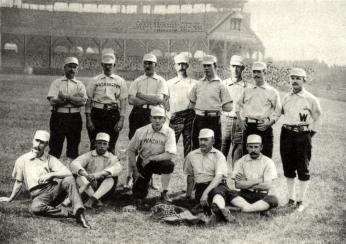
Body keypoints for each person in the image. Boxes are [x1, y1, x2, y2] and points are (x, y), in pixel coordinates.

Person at [0, 130, 90, 228]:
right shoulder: (22, 160)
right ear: (32, 140)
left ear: (47, 144)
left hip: (54, 189)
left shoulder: (49, 158)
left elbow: (68, 172)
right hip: (39, 195)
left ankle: (80, 212)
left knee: (69, 178)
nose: (38, 145)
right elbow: (18, 182)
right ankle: (71, 215)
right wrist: (10, 198)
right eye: (36, 140)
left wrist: (51, 174)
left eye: (42, 142)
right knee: (36, 208)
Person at [280, 68, 322, 212]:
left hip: (302, 135)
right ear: (289, 80)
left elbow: (317, 118)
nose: (295, 81)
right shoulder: (285, 98)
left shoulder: (310, 99)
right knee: (288, 167)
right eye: (292, 78)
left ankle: (300, 201)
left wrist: (309, 135)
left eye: (298, 78)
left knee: (302, 168)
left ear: (304, 80)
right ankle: (291, 199)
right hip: (286, 134)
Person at [127, 53, 169, 189]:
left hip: (154, 113)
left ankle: (151, 179)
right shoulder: (137, 80)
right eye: (146, 63)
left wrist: (141, 96)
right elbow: (131, 100)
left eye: (150, 63)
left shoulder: (161, 81)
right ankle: (131, 175)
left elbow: (159, 99)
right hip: (138, 113)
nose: (148, 66)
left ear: (156, 65)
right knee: (134, 145)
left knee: (152, 146)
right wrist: (148, 99)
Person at [184, 129, 235, 223]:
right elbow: (190, 177)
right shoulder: (191, 155)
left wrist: (205, 193)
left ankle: (221, 210)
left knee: (217, 193)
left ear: (213, 141)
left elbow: (218, 177)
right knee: (202, 203)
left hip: (218, 185)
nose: (202, 142)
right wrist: (188, 195)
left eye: (206, 140)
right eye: (201, 140)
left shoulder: (219, 156)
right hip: (201, 187)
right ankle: (218, 211)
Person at [128, 106, 176, 203]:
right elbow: (131, 150)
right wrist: (135, 169)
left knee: (169, 165)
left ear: (164, 119)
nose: (157, 121)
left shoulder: (169, 132)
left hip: (159, 161)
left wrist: (151, 158)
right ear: (150, 118)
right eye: (154, 118)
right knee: (138, 196)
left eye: (160, 118)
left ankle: (164, 192)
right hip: (143, 162)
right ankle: (143, 184)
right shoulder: (141, 131)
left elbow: (170, 154)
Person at [236, 61, 281, 158]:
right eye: (254, 72)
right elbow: (237, 105)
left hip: (263, 127)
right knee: (247, 157)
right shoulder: (247, 90)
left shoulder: (272, 91)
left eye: (259, 72)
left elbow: (278, 110)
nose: (256, 74)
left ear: (265, 73)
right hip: (248, 127)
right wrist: (240, 120)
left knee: (265, 157)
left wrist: (270, 123)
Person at [223, 134, 279, 214]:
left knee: (273, 199)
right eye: (251, 147)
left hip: (261, 195)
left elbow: (267, 185)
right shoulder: (241, 161)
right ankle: (258, 209)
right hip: (244, 195)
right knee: (228, 193)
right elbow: (238, 185)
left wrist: (246, 181)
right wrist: (260, 180)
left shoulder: (268, 162)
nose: (253, 150)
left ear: (261, 147)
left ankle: (243, 209)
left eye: (256, 147)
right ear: (247, 147)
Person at [85, 53, 128, 154]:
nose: (108, 67)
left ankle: (109, 168)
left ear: (114, 65)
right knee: (94, 143)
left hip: (112, 113)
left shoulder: (120, 81)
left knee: (111, 144)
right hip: (97, 112)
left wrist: (121, 120)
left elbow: (123, 101)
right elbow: (88, 100)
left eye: (110, 64)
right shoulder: (95, 80)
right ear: (102, 65)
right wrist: (88, 119)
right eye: (105, 64)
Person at [47, 57, 87, 163]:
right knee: (55, 147)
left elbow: (83, 102)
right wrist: (74, 98)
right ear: (64, 68)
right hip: (59, 116)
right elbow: (53, 101)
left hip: (74, 117)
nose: (72, 69)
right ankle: (53, 173)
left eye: (74, 67)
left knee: (73, 147)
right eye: (70, 66)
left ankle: (71, 173)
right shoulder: (57, 83)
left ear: (77, 69)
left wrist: (65, 97)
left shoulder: (80, 84)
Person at [189, 55, 233, 150]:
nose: (206, 68)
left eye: (209, 65)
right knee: (197, 147)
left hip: (214, 120)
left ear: (215, 66)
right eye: (204, 66)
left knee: (215, 147)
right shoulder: (198, 84)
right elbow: (191, 103)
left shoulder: (221, 85)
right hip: (199, 119)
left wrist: (215, 108)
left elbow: (228, 107)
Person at [70, 132, 122, 208]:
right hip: (88, 186)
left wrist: (98, 175)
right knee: (79, 176)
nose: (102, 146)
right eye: (99, 143)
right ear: (95, 144)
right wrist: (86, 175)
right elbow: (74, 163)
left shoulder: (112, 157)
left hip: (103, 188)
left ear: (108, 146)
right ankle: (96, 200)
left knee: (111, 179)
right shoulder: (89, 155)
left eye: (104, 144)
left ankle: (92, 200)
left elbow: (118, 168)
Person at [167, 53, 197, 157]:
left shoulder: (194, 83)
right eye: (178, 64)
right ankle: (165, 169)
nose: (181, 67)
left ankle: (188, 170)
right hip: (175, 116)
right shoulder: (169, 83)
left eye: (184, 64)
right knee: (170, 145)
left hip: (190, 116)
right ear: (175, 66)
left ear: (187, 66)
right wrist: (168, 115)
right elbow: (164, 101)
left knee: (189, 145)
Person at [221, 55, 250, 164]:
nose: (235, 69)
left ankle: (237, 180)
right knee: (221, 153)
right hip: (225, 121)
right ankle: (220, 181)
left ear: (243, 68)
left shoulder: (248, 87)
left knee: (238, 156)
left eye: (238, 66)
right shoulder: (222, 84)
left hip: (240, 123)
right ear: (229, 67)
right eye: (233, 66)